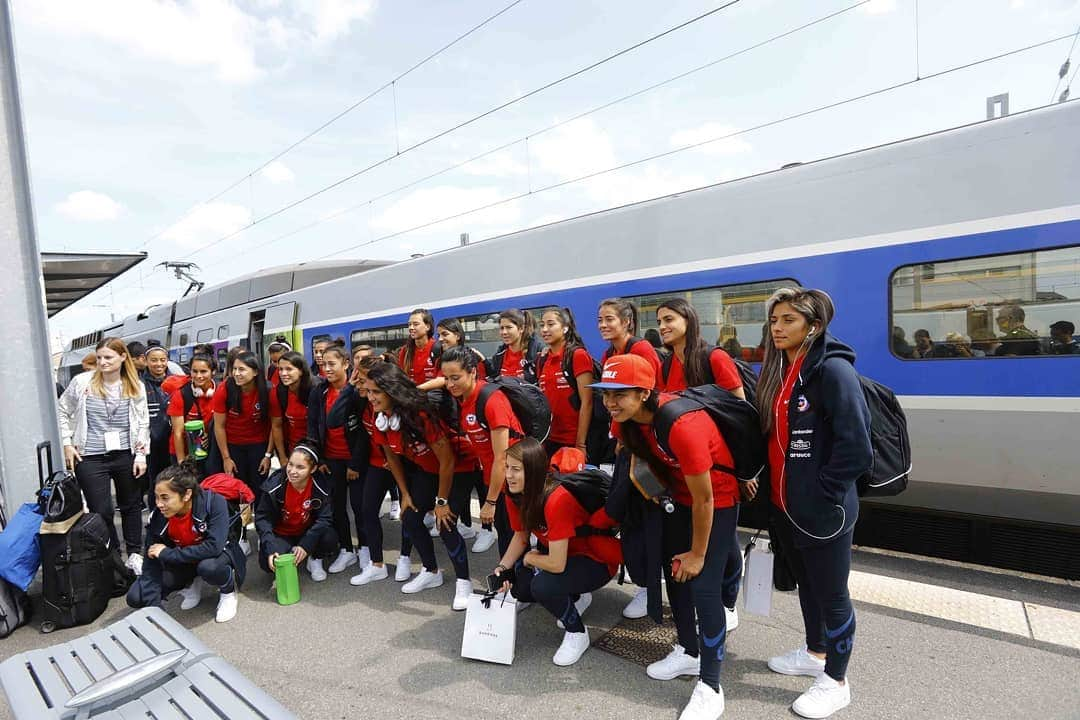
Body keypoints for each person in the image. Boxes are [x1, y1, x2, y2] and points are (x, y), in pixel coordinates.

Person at [595, 353, 740, 720]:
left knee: (703, 586)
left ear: (644, 393)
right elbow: (636, 459)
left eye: (619, 393)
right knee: (676, 578)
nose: (610, 402)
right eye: (605, 393)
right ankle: (690, 653)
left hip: (716, 502)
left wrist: (697, 552)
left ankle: (710, 685)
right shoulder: (625, 421)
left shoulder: (681, 425)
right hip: (678, 497)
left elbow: (706, 498)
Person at [757, 287, 871, 719]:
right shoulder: (784, 371)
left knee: (832, 594)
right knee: (807, 585)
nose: (778, 328)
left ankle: (837, 681)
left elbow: (856, 449)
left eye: (789, 320)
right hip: (788, 508)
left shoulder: (832, 371)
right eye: (774, 320)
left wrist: (822, 494)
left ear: (814, 325)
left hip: (824, 510)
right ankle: (815, 652)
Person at [655, 297, 748, 632]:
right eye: (660, 321)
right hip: (689, 464)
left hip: (721, 464)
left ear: (688, 320)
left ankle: (727, 601)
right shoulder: (666, 365)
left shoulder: (714, 357)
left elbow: (741, 415)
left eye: (669, 319)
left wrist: (744, 472)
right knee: (710, 537)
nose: (663, 326)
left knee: (724, 542)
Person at [495, 439, 621, 666]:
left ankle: (577, 633)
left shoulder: (557, 499)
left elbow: (556, 564)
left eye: (515, 469)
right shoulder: (513, 493)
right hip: (562, 556)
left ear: (533, 471)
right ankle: (575, 596)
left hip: (594, 559)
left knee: (542, 586)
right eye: (506, 468)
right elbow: (520, 535)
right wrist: (502, 569)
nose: (508, 475)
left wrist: (530, 558)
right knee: (521, 587)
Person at [357, 362, 472, 610]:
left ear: (392, 391)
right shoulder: (381, 418)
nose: (371, 397)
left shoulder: (420, 414)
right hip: (426, 471)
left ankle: (464, 583)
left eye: (376, 392)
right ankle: (432, 571)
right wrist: (405, 494)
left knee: (446, 523)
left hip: (458, 470)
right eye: (368, 391)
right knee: (409, 517)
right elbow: (392, 458)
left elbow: (448, 459)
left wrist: (441, 502)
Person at [58, 337, 149, 575]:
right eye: (99, 357)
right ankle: (113, 556)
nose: (102, 362)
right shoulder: (82, 382)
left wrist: (140, 455)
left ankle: (135, 553)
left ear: (122, 358)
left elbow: (142, 422)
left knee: (131, 505)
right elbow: (62, 410)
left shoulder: (134, 385)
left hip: (125, 454)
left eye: (108, 357)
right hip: (90, 457)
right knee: (102, 510)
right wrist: (67, 443)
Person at [330, 352, 414, 584]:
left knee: (409, 512)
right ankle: (377, 564)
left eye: (364, 377)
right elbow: (333, 419)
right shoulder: (360, 398)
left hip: (402, 463)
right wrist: (350, 387)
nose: (360, 382)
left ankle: (405, 557)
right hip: (376, 463)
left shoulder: (398, 402)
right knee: (367, 511)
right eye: (358, 377)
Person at [126, 459, 243, 623]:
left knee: (209, 567)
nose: (159, 504)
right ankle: (191, 582)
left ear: (187, 494)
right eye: (156, 497)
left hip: (216, 557)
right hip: (184, 560)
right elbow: (150, 561)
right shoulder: (159, 515)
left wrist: (168, 553)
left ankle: (228, 591)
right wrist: (154, 610)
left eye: (165, 498)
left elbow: (214, 547)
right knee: (136, 596)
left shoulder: (214, 502)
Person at [441, 345, 523, 557]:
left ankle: (515, 586)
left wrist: (490, 502)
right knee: (506, 533)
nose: (450, 384)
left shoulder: (491, 400)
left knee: (514, 535)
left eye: (455, 377)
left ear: (473, 372)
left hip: (512, 481)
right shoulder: (465, 399)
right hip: (494, 478)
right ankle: (509, 581)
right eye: (446, 378)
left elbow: (502, 457)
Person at [417, 318, 491, 550]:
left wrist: (412, 390)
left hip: (475, 423)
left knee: (482, 480)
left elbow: (444, 382)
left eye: (445, 334)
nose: (441, 339)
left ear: (458, 335)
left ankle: (488, 530)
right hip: (459, 421)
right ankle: (467, 525)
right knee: (468, 478)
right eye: (439, 335)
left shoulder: (470, 359)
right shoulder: (445, 359)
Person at [308, 342, 369, 575]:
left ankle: (364, 548)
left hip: (354, 459)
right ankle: (347, 549)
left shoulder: (357, 392)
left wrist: (355, 463)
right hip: (330, 460)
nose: (327, 369)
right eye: (324, 365)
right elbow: (313, 425)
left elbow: (364, 430)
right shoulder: (319, 391)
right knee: (336, 507)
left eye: (332, 364)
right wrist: (319, 459)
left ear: (346, 364)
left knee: (359, 506)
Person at [212, 350, 273, 553]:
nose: (236, 373)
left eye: (242, 369)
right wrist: (226, 458)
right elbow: (219, 426)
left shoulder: (267, 389)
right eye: (234, 369)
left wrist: (268, 455)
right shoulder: (225, 389)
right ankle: (241, 536)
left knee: (260, 492)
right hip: (234, 447)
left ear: (255, 372)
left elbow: (275, 425)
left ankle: (264, 536)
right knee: (238, 493)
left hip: (259, 446)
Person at [255, 441, 339, 584]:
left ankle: (314, 558)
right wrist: (270, 546)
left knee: (330, 538)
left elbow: (324, 519)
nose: (293, 471)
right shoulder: (274, 485)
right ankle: (282, 549)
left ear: (312, 469)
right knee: (267, 563)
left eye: (300, 467)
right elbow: (263, 518)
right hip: (282, 533)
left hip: (306, 531)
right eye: (290, 464)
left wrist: (306, 545)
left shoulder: (322, 486)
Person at [536, 306, 596, 458]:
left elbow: (587, 402)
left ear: (565, 328)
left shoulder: (577, 355)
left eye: (551, 324)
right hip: (549, 440)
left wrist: (580, 443)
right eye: (542, 325)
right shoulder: (542, 360)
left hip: (573, 441)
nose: (544, 329)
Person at [139, 343, 176, 508]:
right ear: (145, 361)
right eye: (154, 360)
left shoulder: (176, 381)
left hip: (174, 442)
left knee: (175, 481)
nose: (159, 364)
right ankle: (156, 516)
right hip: (152, 444)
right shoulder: (139, 384)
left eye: (163, 360)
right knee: (155, 481)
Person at [168, 354, 216, 465]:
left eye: (203, 371)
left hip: (209, 449)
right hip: (183, 451)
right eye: (194, 371)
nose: (198, 376)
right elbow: (178, 432)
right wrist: (181, 462)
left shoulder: (219, 392)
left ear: (213, 372)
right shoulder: (181, 394)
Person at [598, 297, 663, 379]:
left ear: (626, 321)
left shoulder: (641, 349)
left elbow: (652, 386)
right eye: (600, 320)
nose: (602, 325)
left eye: (609, 319)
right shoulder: (607, 355)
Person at [270, 351, 315, 460]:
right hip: (294, 449)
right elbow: (277, 426)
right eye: (280, 369)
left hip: (317, 449)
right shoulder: (278, 393)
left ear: (301, 371)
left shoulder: (315, 390)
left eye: (289, 369)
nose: (283, 373)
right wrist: (282, 457)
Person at [489, 308, 543, 383]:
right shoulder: (498, 357)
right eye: (502, 328)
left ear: (521, 328)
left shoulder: (537, 354)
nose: (504, 332)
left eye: (509, 327)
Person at [397, 308, 439, 385]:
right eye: (409, 325)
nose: (411, 328)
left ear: (428, 327)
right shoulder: (405, 351)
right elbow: (401, 377)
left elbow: (442, 378)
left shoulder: (437, 348)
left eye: (416, 324)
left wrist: (419, 390)